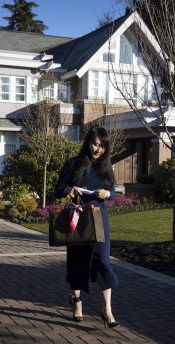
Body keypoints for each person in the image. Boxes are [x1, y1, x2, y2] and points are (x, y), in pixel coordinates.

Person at [54, 126, 120, 328]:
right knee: (77, 261)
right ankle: (77, 302)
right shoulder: (73, 163)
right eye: (95, 144)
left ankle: (107, 310)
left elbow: (112, 192)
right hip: (78, 218)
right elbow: (58, 190)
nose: (98, 149)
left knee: (102, 262)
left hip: (100, 219)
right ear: (87, 142)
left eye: (102, 146)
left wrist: (107, 194)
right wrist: (69, 189)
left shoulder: (106, 166)